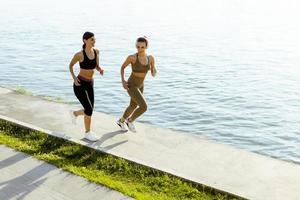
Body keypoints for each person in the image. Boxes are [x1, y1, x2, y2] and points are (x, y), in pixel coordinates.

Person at [68, 31, 104, 141]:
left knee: (90, 109)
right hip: (79, 84)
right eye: (92, 39)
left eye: (94, 39)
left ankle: (74, 113)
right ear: (85, 40)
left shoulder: (97, 52)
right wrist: (74, 78)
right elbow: (70, 66)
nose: (94, 41)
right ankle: (87, 133)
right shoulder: (79, 54)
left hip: (90, 83)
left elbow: (96, 66)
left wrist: (100, 69)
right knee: (88, 109)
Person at [117, 37, 157, 132]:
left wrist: (153, 71)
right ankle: (130, 121)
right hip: (131, 85)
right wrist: (123, 81)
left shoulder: (150, 58)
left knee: (133, 106)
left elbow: (153, 71)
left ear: (146, 47)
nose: (139, 49)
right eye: (138, 47)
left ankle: (121, 121)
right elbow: (122, 68)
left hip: (141, 85)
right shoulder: (132, 57)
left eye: (142, 47)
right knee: (144, 107)